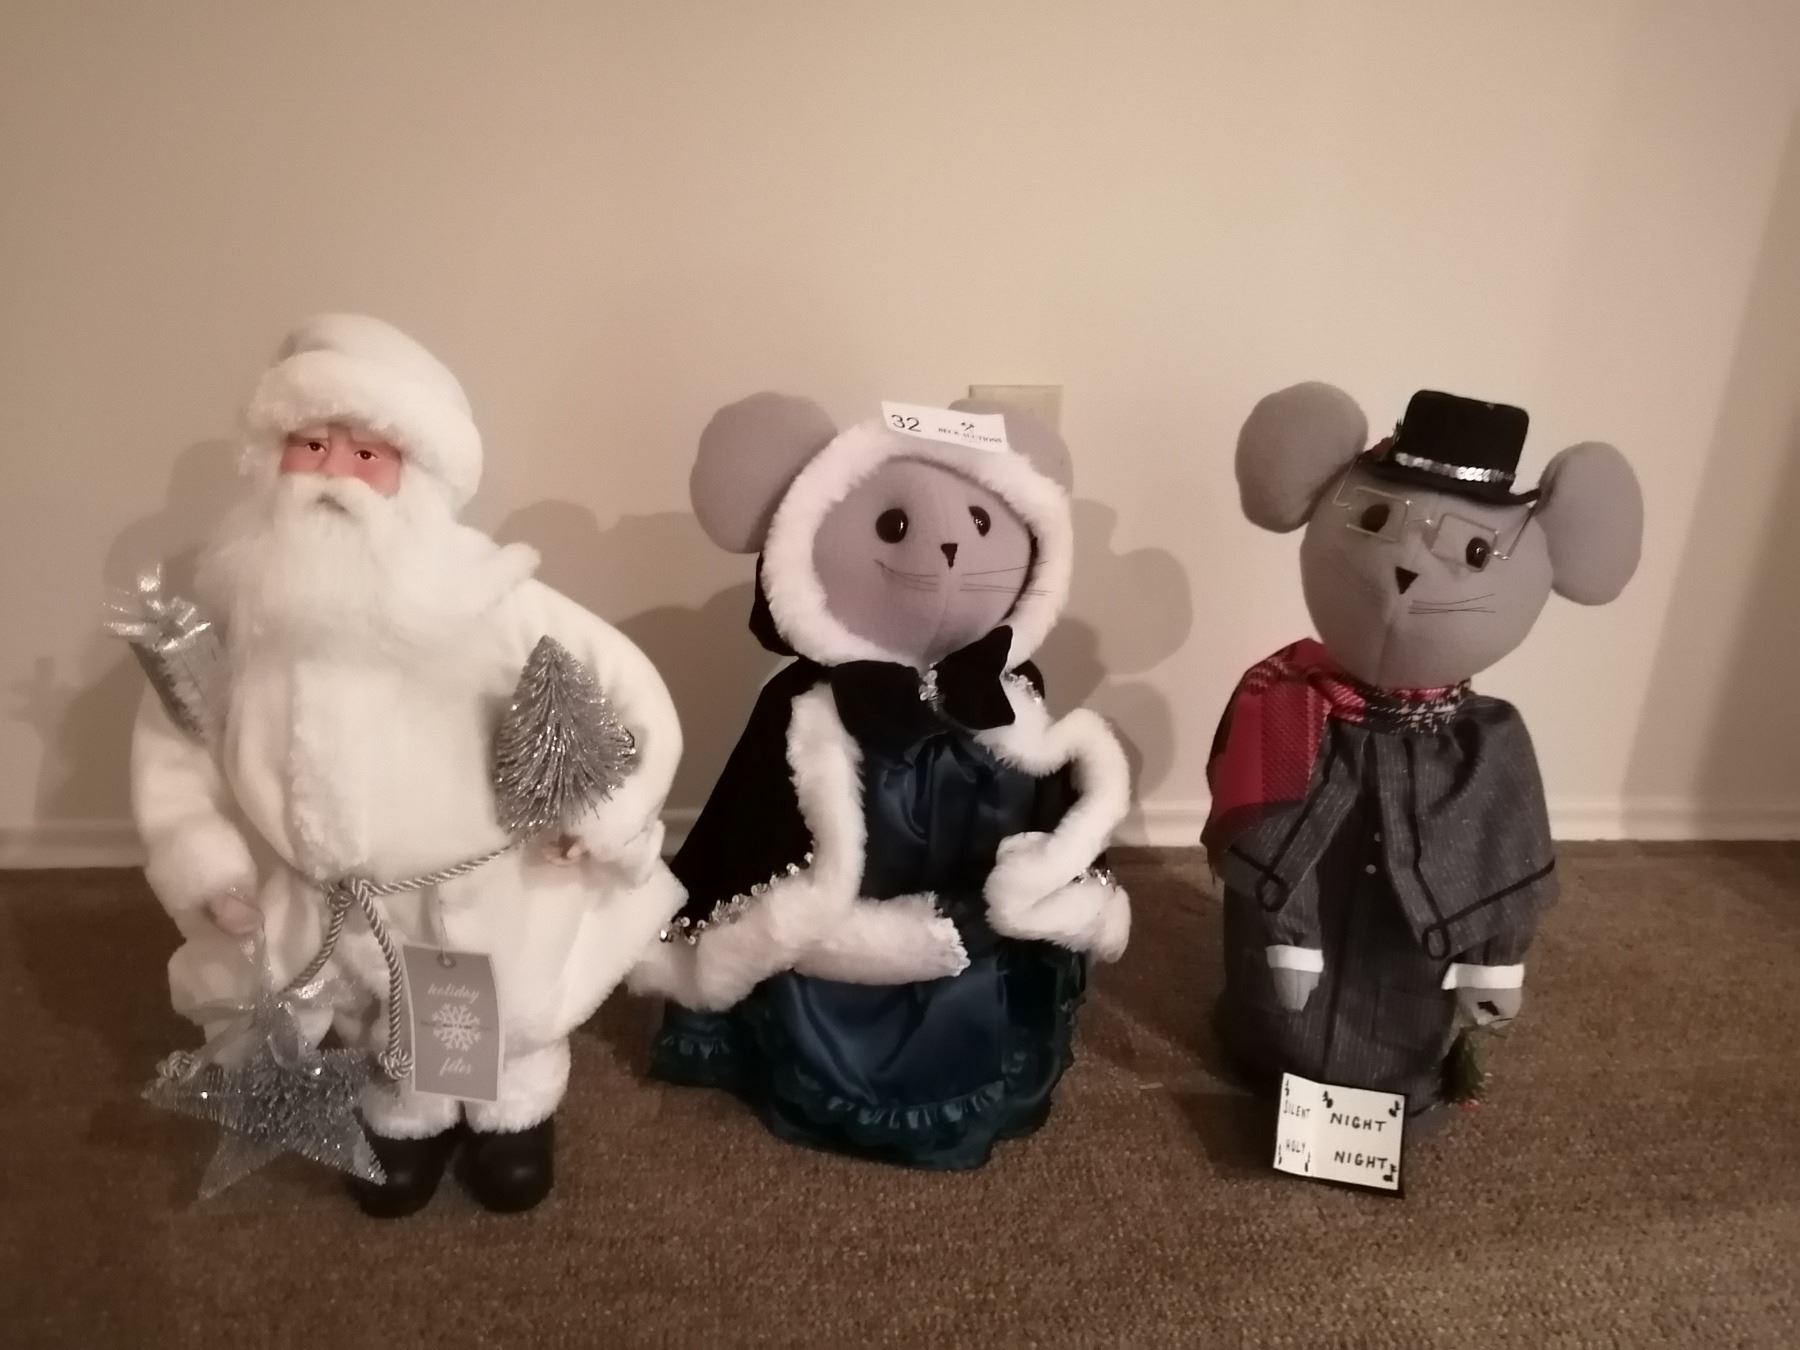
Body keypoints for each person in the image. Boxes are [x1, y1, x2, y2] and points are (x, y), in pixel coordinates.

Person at [131, 314, 683, 1215]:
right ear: (272, 456)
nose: (333, 475)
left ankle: (516, 1112)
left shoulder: (492, 598)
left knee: (504, 1011)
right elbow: (178, 741)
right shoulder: (242, 603)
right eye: (312, 444)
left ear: (415, 475)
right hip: (336, 896)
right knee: (379, 1014)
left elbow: (630, 693)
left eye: (366, 454)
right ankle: (408, 1111)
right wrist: (206, 861)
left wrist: (601, 812)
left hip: (481, 887)